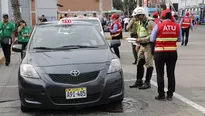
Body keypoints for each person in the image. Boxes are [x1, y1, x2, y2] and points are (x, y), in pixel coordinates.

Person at [150, 9, 182, 101]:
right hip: (172, 52)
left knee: (160, 74)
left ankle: (161, 94)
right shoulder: (176, 26)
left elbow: (152, 39)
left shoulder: (158, 26)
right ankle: (170, 94)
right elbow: (179, 39)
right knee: (171, 73)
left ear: (162, 16)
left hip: (160, 52)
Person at [129, 7, 156, 89]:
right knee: (139, 63)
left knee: (149, 64)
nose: (135, 18)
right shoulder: (140, 22)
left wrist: (141, 40)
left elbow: (152, 36)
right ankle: (139, 81)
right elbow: (139, 33)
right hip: (142, 45)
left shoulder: (150, 22)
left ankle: (147, 82)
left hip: (148, 45)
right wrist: (138, 43)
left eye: (137, 16)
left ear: (141, 15)